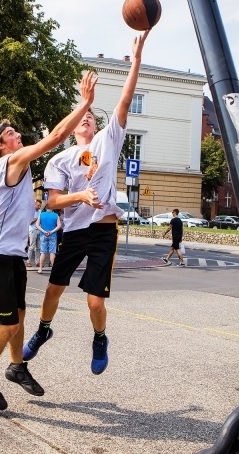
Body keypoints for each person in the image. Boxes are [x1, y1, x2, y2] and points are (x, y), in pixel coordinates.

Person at [23, 31, 149, 377]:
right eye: (82, 117)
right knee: (53, 289)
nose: (87, 119)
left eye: (91, 116)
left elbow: (124, 101)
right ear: (72, 127)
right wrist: (79, 196)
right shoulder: (60, 160)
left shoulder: (109, 141)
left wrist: (135, 59)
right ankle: (44, 329)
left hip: (104, 231)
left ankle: (99, 337)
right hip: (75, 231)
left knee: (95, 301)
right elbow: (52, 202)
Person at [0, 70, 96, 411]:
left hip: (10, 255)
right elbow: (54, 138)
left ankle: (16, 366)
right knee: (8, 321)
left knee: (20, 316)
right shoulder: (11, 161)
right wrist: (84, 103)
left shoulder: (20, 169)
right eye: (11, 134)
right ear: (0, 145)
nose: (18, 135)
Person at [36, 205, 62, 273]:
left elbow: (37, 225)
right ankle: (54, 269)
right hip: (53, 235)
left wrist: (44, 231)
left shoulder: (41, 215)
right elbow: (59, 226)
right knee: (52, 252)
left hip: (43, 235)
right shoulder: (56, 215)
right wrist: (51, 231)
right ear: (52, 208)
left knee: (43, 252)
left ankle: (40, 268)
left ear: (45, 208)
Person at [26, 200, 42, 268]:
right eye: (38, 205)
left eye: (40, 206)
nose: (39, 207)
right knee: (32, 246)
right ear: (34, 204)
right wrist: (36, 219)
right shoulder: (30, 212)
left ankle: (37, 262)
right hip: (32, 230)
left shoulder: (40, 212)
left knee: (38, 247)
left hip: (39, 230)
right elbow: (29, 222)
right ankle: (28, 261)